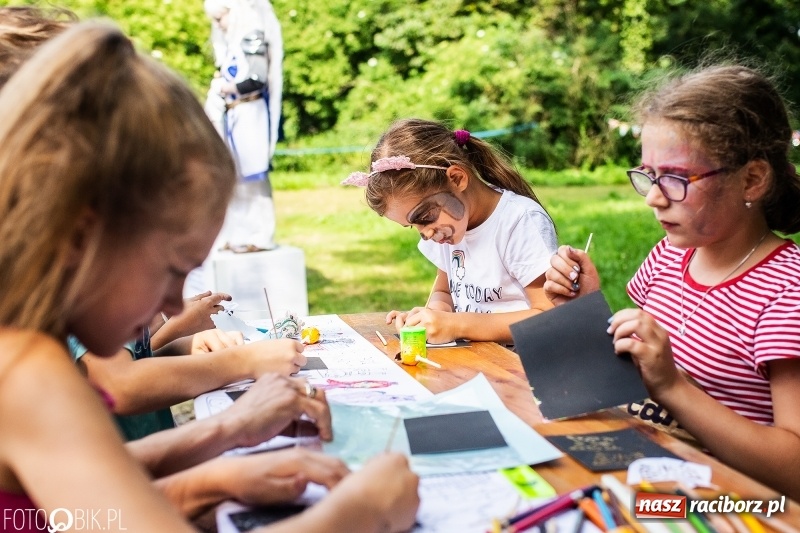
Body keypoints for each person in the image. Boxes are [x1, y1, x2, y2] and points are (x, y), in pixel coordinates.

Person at [0, 21, 418, 532]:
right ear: (83, 234)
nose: (176, 306)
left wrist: (216, 466)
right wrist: (363, 512)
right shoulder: (23, 368)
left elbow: (78, 505)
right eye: (172, 269)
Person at [544, 63, 800, 499]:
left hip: (728, 506)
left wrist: (672, 387)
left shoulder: (786, 291)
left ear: (752, 178)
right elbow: (640, 367)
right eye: (648, 174)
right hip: (648, 479)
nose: (652, 196)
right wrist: (586, 310)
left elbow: (794, 469)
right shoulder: (668, 256)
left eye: (677, 178)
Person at [344, 118, 557, 344]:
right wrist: (431, 318)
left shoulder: (518, 221)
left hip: (521, 370)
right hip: (476, 364)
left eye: (424, 217)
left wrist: (455, 325)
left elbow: (549, 317)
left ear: (457, 178)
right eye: (412, 226)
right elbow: (444, 294)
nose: (425, 234)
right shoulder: (449, 231)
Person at [204, 0, 283, 253]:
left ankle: (260, 235)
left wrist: (228, 88)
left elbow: (256, 79)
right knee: (234, 176)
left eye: (221, 18)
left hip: (250, 114)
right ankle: (236, 234)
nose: (219, 25)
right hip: (235, 115)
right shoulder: (232, 44)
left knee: (254, 176)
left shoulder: (252, 37)